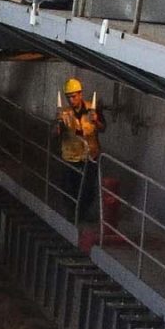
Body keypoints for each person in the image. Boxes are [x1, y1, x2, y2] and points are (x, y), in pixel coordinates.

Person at [55, 77, 106, 223]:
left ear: (80, 94)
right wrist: (58, 124)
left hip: (90, 157)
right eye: (68, 97)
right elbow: (54, 133)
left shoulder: (92, 109)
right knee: (70, 188)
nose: (71, 100)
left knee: (88, 189)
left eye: (74, 96)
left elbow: (103, 129)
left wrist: (95, 120)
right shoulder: (64, 114)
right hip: (71, 157)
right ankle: (72, 213)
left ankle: (83, 213)